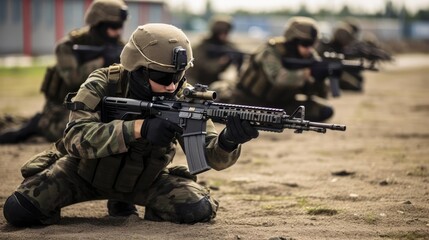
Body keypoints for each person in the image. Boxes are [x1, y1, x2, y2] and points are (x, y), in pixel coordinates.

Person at [3, 23, 260, 227]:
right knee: (20, 210)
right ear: (137, 67)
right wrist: (139, 129)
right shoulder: (104, 82)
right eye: (162, 77)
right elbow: (75, 138)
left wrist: (229, 141)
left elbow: (210, 156)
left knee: (198, 208)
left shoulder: (185, 96)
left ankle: (129, 204)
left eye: (178, 76)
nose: (172, 86)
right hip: (81, 174)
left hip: (145, 180)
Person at [0, 0, 128, 143]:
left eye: (120, 26)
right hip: (63, 106)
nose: (118, 31)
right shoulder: (68, 46)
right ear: (98, 24)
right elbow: (72, 78)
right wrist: (101, 61)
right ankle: (41, 123)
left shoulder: (120, 46)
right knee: (79, 132)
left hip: (96, 104)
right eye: (113, 26)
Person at [218, 17, 333, 122]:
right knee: (216, 101)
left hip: (281, 105)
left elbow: (322, 94)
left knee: (324, 111)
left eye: (313, 44)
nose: (309, 49)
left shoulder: (310, 56)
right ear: (293, 41)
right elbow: (278, 78)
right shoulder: (271, 50)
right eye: (305, 44)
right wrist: (307, 74)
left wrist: (320, 78)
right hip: (248, 101)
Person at [186, 15, 242, 86]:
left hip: (212, 82)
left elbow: (237, 53)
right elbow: (205, 68)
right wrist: (220, 62)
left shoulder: (228, 46)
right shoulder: (201, 47)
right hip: (195, 82)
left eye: (226, 32)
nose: (225, 36)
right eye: (222, 33)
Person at [316, 21, 363, 91]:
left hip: (332, 71)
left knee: (359, 79)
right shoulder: (328, 47)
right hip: (326, 72)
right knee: (356, 86)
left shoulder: (337, 48)